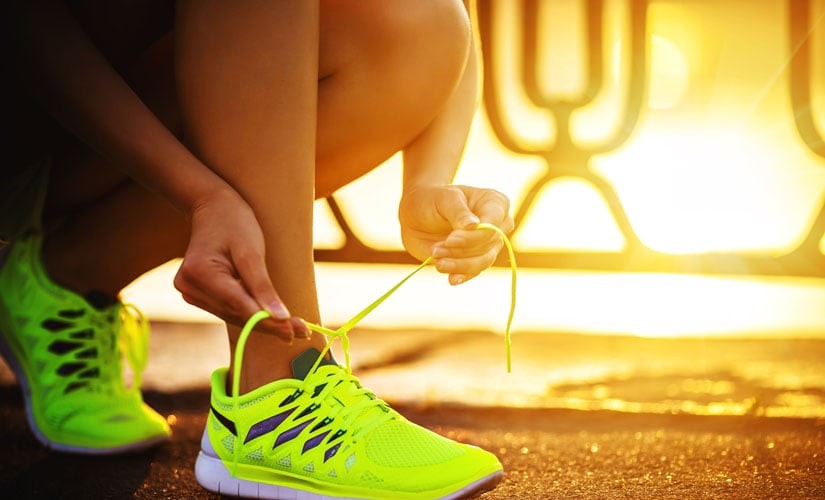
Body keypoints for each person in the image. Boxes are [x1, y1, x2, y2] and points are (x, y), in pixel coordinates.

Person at [0, 0, 514, 498]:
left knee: (421, 22)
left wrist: (424, 183)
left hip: (144, 96)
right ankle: (274, 394)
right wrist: (199, 194)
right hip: (39, 117)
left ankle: (64, 276)